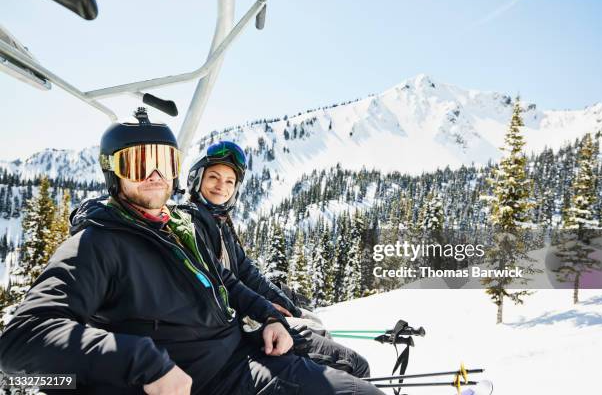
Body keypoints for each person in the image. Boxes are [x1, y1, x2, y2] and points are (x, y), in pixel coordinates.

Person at [0, 109, 383, 395]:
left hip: (243, 358)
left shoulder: (178, 226)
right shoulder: (97, 242)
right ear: (113, 173)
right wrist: (144, 363)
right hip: (200, 382)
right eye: (137, 163)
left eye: (164, 162)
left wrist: (268, 315)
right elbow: (21, 341)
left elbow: (228, 280)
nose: (154, 175)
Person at [183, 140, 371, 378]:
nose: (222, 186)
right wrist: (269, 313)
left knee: (315, 324)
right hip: (237, 332)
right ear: (197, 178)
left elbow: (249, 274)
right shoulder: (192, 224)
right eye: (214, 177)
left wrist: (292, 309)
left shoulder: (219, 223)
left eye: (229, 181)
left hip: (249, 321)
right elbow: (223, 284)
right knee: (354, 365)